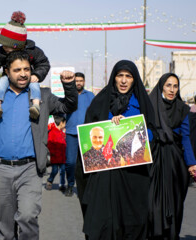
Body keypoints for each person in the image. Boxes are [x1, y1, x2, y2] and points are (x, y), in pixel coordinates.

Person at [0, 51, 78, 240]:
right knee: (5, 225)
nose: (23, 74)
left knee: (28, 215)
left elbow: (67, 106)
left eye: (26, 69)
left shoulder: (42, 95)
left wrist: (69, 85)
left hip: (29, 169)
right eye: (17, 70)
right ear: (7, 71)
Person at [81, 60, 155, 239]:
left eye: (128, 76)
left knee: (132, 223)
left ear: (134, 79)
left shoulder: (142, 103)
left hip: (134, 175)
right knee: (103, 224)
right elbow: (89, 133)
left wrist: (129, 129)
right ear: (114, 78)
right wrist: (109, 125)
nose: (123, 80)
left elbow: (153, 134)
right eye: (119, 75)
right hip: (105, 176)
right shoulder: (101, 102)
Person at [0, 11, 50, 120]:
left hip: (29, 78)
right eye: (3, 45)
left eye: (7, 46)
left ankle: (36, 105)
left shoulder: (32, 51)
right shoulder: (2, 51)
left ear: (17, 46)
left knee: (35, 85)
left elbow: (43, 63)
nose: (4, 48)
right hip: (9, 78)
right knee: (1, 83)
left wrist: (37, 75)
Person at [148, 73, 196, 239]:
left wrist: (191, 163)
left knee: (175, 203)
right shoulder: (150, 106)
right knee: (153, 203)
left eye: (175, 86)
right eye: (168, 85)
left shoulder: (182, 108)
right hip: (153, 161)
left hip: (176, 163)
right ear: (162, 85)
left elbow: (185, 137)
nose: (172, 90)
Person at [65, 72, 94, 197]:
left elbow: (96, 111)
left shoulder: (90, 96)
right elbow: (61, 111)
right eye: (76, 81)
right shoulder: (69, 96)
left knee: (88, 162)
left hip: (86, 133)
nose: (78, 83)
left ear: (84, 82)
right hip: (71, 133)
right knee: (71, 162)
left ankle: (87, 187)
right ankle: (70, 185)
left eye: (81, 80)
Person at [45, 114, 67, 192]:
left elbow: (64, 142)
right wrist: (53, 153)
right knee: (55, 170)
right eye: (65, 123)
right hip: (55, 156)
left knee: (63, 170)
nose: (65, 125)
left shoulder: (62, 132)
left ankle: (62, 184)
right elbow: (50, 144)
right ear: (61, 123)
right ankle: (50, 180)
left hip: (62, 156)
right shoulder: (52, 132)